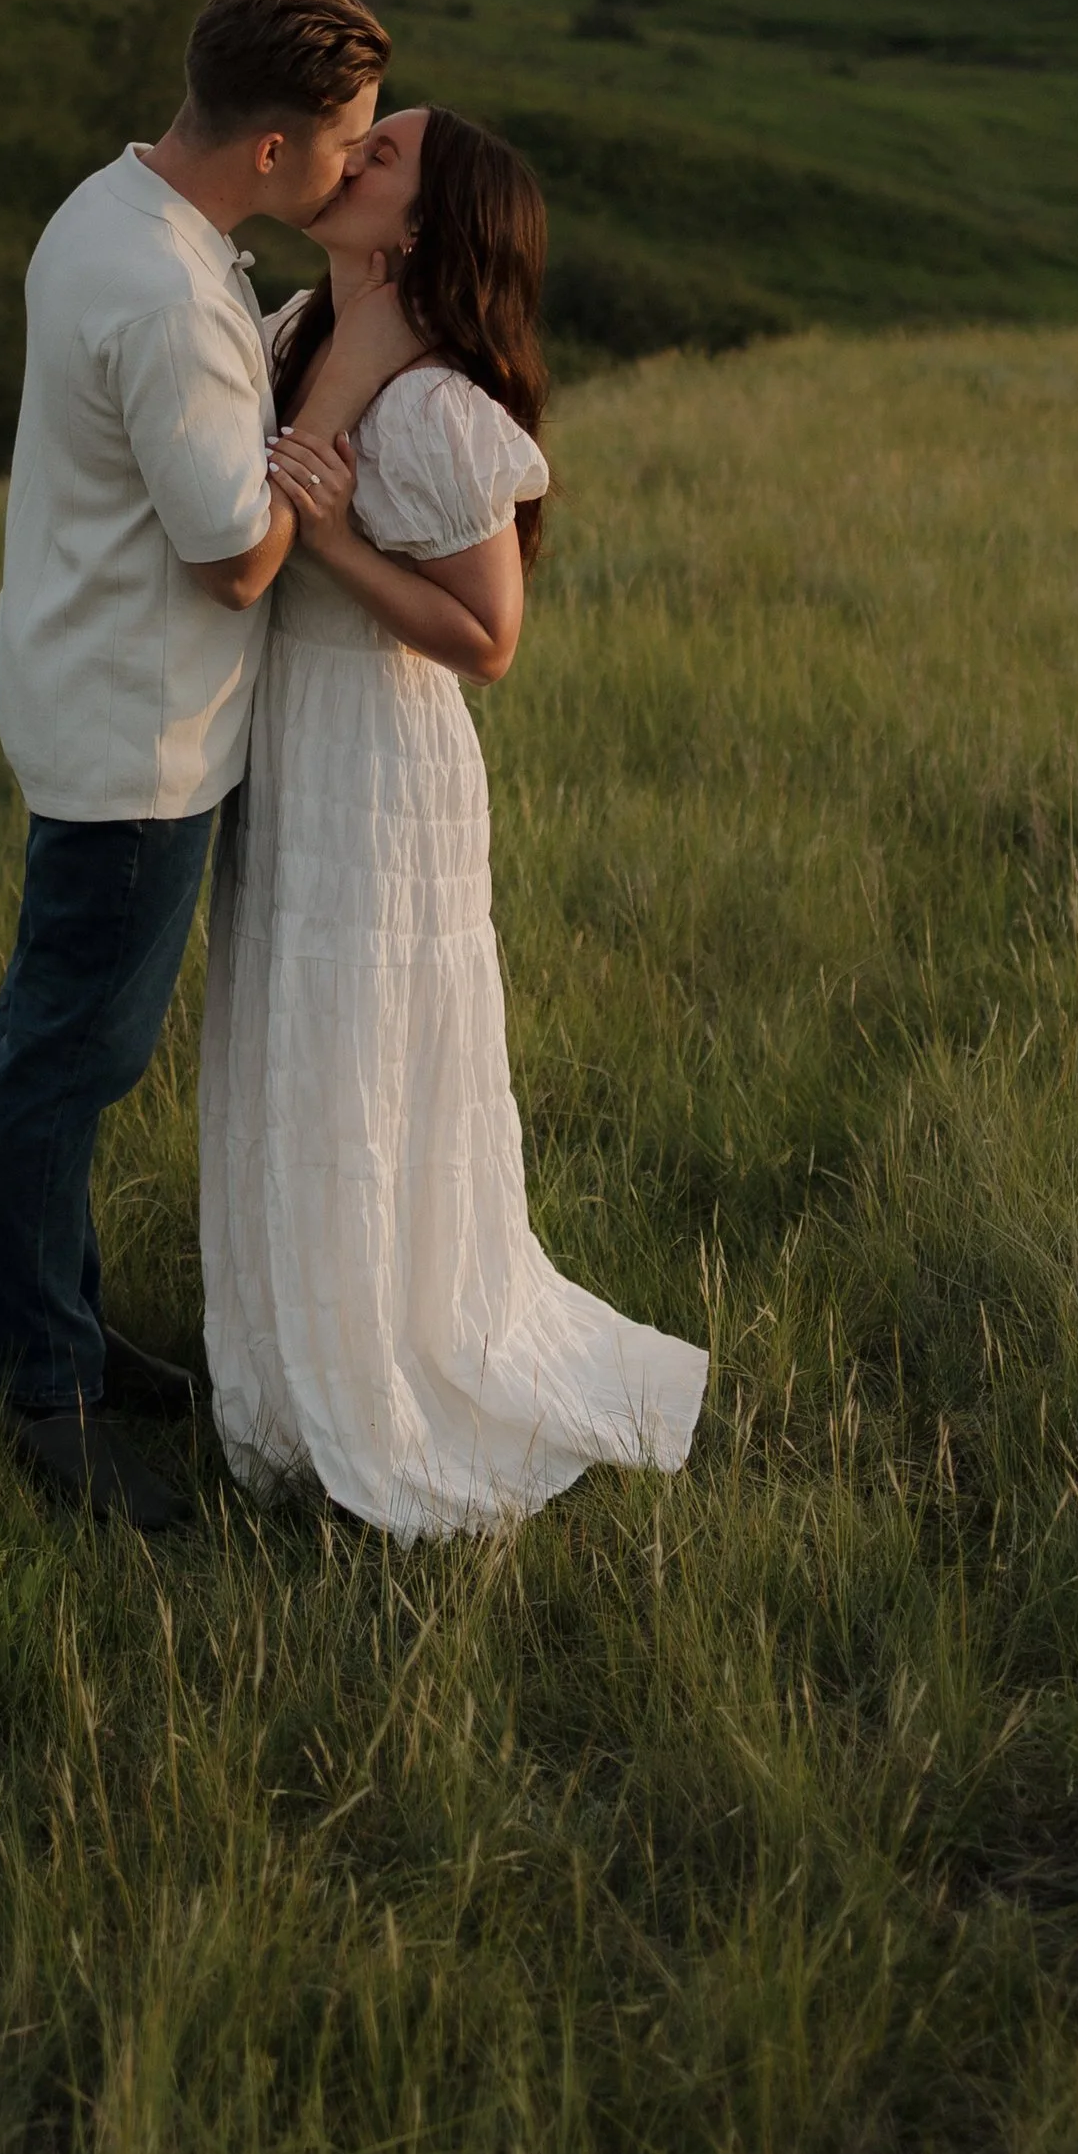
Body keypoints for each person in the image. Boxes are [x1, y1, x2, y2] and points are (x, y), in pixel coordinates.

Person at [201, 104, 708, 1539]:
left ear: (419, 227)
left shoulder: (434, 404)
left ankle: (381, 1367)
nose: (349, 158)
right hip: (291, 734)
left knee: (362, 1046)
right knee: (292, 1033)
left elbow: (489, 638)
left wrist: (346, 543)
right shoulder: (303, 324)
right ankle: (292, 1370)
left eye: (384, 157)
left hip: (378, 749)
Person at [0, 0, 418, 1531]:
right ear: (280, 148)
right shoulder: (170, 293)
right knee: (72, 1055)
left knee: (71, 1041)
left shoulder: (113, 207)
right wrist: (317, 452)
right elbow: (234, 559)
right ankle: (41, 1382)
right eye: (352, 139)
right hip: (137, 729)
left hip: (97, 685)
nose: (363, 165)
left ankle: (68, 1330)